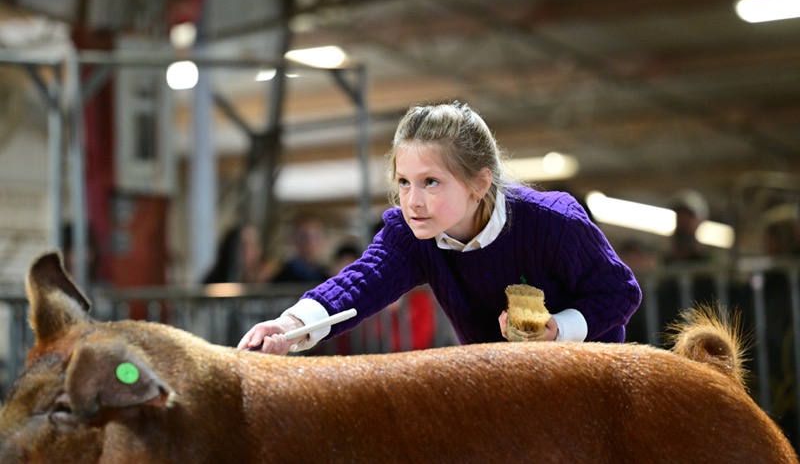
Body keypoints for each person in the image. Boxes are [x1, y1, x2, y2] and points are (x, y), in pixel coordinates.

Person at [238, 101, 641, 354]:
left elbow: (621, 291)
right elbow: (361, 281)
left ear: (479, 184)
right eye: (403, 182)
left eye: (431, 182)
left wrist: (560, 328)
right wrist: (291, 325)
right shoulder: (412, 235)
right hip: (503, 386)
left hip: (592, 381)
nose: (413, 201)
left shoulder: (554, 220)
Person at [271, 215, 331, 284]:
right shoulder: (284, 276)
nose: (309, 242)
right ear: (294, 240)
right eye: (303, 236)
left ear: (323, 239)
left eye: (314, 235)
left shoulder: (327, 276)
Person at [203, 224, 273, 283]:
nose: (251, 250)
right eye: (244, 246)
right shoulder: (217, 282)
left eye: (255, 244)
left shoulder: (268, 277)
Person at [663, 189, 711, 264]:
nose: (682, 220)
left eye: (688, 216)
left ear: (699, 221)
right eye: (680, 215)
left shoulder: (709, 262)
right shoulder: (663, 261)